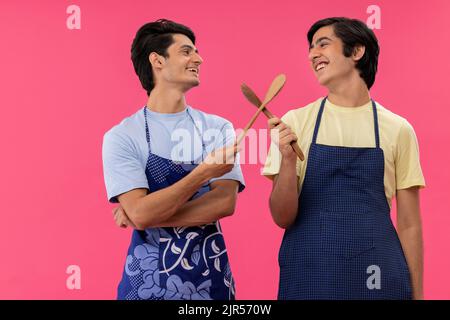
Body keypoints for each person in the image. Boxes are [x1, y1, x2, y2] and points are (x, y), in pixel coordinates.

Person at [262, 17, 425, 300]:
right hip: (309, 271)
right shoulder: (296, 123)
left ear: (357, 51)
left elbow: (409, 224)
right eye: (311, 48)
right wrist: (287, 161)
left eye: (323, 44)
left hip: (378, 272)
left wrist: (418, 295)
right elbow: (282, 216)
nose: (313, 54)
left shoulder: (398, 129)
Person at [102, 19, 245, 300]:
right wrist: (203, 174)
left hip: (210, 278)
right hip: (146, 283)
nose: (199, 59)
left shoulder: (217, 127)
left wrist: (144, 216)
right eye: (186, 51)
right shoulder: (122, 136)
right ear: (157, 60)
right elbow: (142, 213)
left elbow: (224, 203)